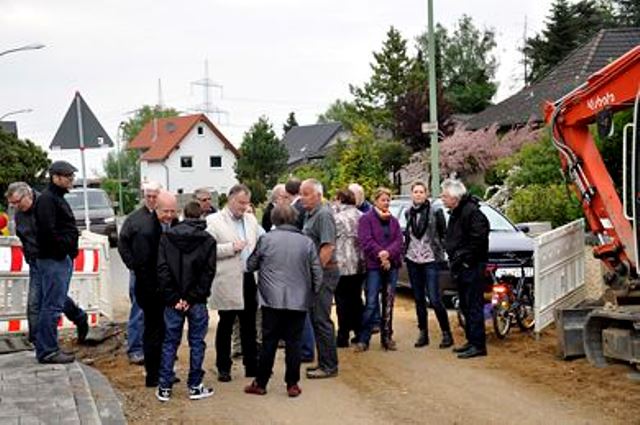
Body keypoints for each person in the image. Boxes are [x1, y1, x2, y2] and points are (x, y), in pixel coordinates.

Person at [244, 204, 322, 397]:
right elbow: (317, 272)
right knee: (294, 342)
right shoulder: (306, 242)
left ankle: (260, 383)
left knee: (269, 341)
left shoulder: (266, 240)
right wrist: (312, 293)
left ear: (273, 219)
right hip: (299, 299)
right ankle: (292, 384)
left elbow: (250, 265)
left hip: (271, 298)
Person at [6, 181, 88, 349]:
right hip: (36, 262)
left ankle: (76, 320)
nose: (15, 207)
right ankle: (39, 342)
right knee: (38, 301)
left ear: (28, 195)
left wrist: (61, 252)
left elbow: (63, 230)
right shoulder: (20, 213)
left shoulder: (47, 204)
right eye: (12, 204)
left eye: (17, 202)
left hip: (52, 259)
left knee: (52, 299)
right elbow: (24, 237)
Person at [156, 201, 217, 402]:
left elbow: (162, 270)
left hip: (173, 301)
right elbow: (208, 273)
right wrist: (191, 297)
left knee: (170, 342)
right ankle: (195, 386)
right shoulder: (208, 240)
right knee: (197, 342)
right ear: (201, 216)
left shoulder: (167, 237)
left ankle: (164, 386)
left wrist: (174, 297)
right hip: (196, 300)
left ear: (182, 214)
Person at [118, 189, 178, 386]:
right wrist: (158, 292)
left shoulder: (174, 225)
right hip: (152, 291)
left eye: (172, 211)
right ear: (156, 209)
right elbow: (143, 267)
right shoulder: (146, 230)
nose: (169, 215)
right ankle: (153, 375)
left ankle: (166, 370)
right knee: (154, 332)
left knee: (168, 332)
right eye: (165, 211)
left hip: (168, 290)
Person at [33, 161, 89, 363]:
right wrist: (63, 249)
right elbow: (48, 231)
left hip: (56, 258)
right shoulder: (48, 200)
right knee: (52, 305)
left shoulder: (55, 198)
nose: (71, 180)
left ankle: (48, 346)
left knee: (53, 302)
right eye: (68, 176)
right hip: (53, 259)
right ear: (55, 177)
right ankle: (48, 350)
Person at [206, 184, 263, 382]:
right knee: (226, 324)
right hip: (227, 279)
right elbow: (207, 251)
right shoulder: (213, 221)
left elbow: (259, 244)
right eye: (240, 203)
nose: (244, 207)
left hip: (248, 277)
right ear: (230, 199)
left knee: (249, 324)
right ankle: (223, 367)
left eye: (247, 203)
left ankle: (251, 365)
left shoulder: (251, 220)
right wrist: (230, 247)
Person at [441, 179, 490, 359]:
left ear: (455, 197)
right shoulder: (457, 212)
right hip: (461, 266)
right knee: (466, 305)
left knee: (473, 305)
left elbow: (478, 240)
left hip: (472, 266)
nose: (442, 199)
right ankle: (472, 340)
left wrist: (465, 259)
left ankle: (478, 345)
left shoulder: (472, 213)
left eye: (445, 196)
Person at [404, 181, 453, 349]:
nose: (418, 194)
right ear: (412, 194)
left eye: (421, 192)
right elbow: (409, 234)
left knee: (434, 297)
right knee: (418, 298)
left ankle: (446, 333)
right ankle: (423, 332)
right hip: (413, 259)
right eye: (415, 192)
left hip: (431, 259)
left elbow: (443, 234)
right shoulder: (408, 212)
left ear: (426, 194)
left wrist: (443, 252)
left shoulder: (435, 211)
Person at [355, 187, 403, 352]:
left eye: (388, 200)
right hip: (374, 266)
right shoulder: (366, 219)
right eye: (383, 200)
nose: (386, 203)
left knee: (388, 302)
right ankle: (363, 338)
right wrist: (380, 254)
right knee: (371, 302)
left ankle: (387, 336)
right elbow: (365, 241)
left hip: (392, 265)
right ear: (375, 201)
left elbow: (399, 241)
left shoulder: (394, 221)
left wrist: (388, 254)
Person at [119, 181, 162, 365]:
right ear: (144, 196)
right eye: (148, 196)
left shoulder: (165, 216)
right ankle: (135, 349)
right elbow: (122, 243)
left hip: (160, 272)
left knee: (159, 312)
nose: (151, 199)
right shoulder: (133, 219)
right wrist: (132, 265)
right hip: (140, 273)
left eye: (155, 196)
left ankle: (156, 347)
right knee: (139, 310)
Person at [300, 178, 339, 379]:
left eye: (306, 194)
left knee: (322, 319)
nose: (302, 198)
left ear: (318, 194)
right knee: (316, 318)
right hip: (317, 272)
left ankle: (329, 365)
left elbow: (327, 247)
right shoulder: (311, 214)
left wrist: (316, 274)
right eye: (301, 193)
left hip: (324, 272)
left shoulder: (323, 214)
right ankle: (323, 361)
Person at [285, 177, 315, 362]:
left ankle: (305, 350)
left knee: (301, 312)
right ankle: (306, 348)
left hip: (300, 267)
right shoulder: (307, 210)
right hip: (306, 266)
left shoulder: (296, 210)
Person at [332, 189, 364, 347]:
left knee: (341, 300)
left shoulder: (336, 218)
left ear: (339, 199)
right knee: (356, 298)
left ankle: (343, 334)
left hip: (341, 262)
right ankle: (359, 332)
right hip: (359, 263)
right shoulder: (361, 216)